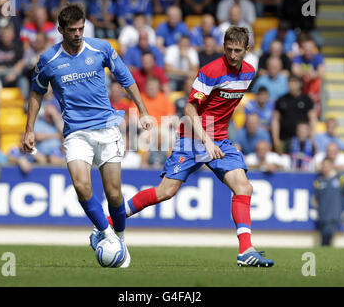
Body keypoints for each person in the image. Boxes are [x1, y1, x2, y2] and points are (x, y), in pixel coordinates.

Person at [105, 26, 275, 267]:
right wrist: (206, 139)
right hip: (193, 138)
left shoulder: (249, 73)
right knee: (165, 191)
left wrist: (216, 137)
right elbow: (189, 109)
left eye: (238, 50)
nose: (233, 55)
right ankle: (109, 222)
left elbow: (223, 107)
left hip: (220, 140)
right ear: (223, 47)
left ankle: (246, 250)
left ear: (247, 50)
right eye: (229, 50)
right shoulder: (211, 71)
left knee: (244, 187)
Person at [22, 4, 152, 268]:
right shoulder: (48, 59)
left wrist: (144, 110)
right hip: (76, 133)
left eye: (81, 28)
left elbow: (125, 78)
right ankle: (106, 235)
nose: (78, 34)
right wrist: (29, 129)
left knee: (114, 194)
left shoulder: (101, 48)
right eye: (72, 30)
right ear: (60, 30)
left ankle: (121, 239)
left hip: (106, 128)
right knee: (82, 187)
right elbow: (36, 92)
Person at [271, 74, 316, 153]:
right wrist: (276, 139)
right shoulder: (281, 99)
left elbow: (312, 119)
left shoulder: (306, 99)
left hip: (302, 141)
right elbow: (275, 120)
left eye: (294, 82)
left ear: (300, 84)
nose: (291, 84)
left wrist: (312, 137)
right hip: (284, 139)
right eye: (290, 82)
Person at [313, 157, 344, 246]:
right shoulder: (319, 181)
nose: (325, 167)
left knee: (328, 233)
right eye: (323, 165)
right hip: (323, 215)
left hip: (334, 214)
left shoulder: (340, 179)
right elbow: (316, 198)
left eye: (327, 165)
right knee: (324, 237)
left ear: (332, 166)